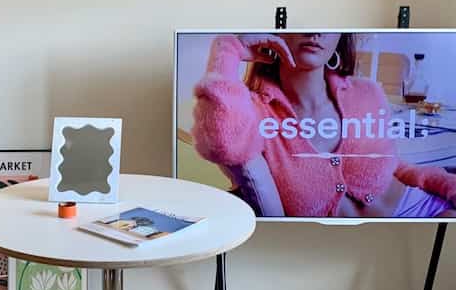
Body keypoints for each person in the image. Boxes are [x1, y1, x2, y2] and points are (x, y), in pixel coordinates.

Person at [192, 32, 456, 219]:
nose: (315, 32)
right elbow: (221, 144)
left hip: (426, 215)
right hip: (341, 250)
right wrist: (228, 48)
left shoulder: (367, 93)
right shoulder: (256, 112)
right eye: (300, 23)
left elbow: (394, 165)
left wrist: (448, 188)